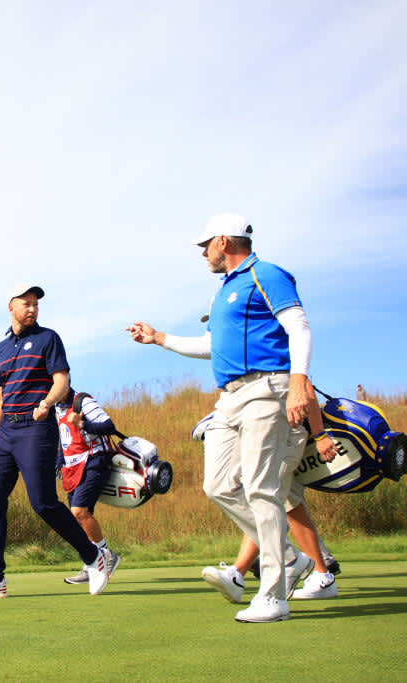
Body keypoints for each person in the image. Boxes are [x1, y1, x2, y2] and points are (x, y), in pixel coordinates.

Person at [127, 213, 313, 623]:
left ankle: (274, 594)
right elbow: (211, 346)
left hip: (268, 389)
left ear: (224, 241)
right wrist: (160, 339)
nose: (203, 252)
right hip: (229, 398)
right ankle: (287, 556)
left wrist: (299, 383)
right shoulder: (223, 291)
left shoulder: (266, 274)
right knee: (217, 485)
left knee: (261, 488)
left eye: (205, 244)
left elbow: (298, 327)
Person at [0, 283, 110, 599]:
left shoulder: (47, 339)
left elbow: (62, 381)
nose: (32, 308)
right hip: (5, 434)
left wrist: (47, 403)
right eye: (25, 303)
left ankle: (95, 558)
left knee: (43, 503)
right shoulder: (0, 350)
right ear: (10, 307)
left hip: (36, 428)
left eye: (35, 303)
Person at [201, 379, 341, 602]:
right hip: (275, 435)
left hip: (287, 435)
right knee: (282, 504)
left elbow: (306, 388)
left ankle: (311, 572)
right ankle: (316, 573)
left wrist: (320, 435)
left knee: (274, 503)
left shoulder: (278, 356)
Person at [55, 389, 122, 584]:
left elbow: (109, 426)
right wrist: (59, 463)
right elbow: (64, 438)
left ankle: (107, 556)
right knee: (78, 521)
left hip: (95, 461)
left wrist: (81, 423)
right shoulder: (58, 409)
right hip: (72, 467)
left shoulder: (82, 401)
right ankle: (91, 563)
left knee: (79, 511)